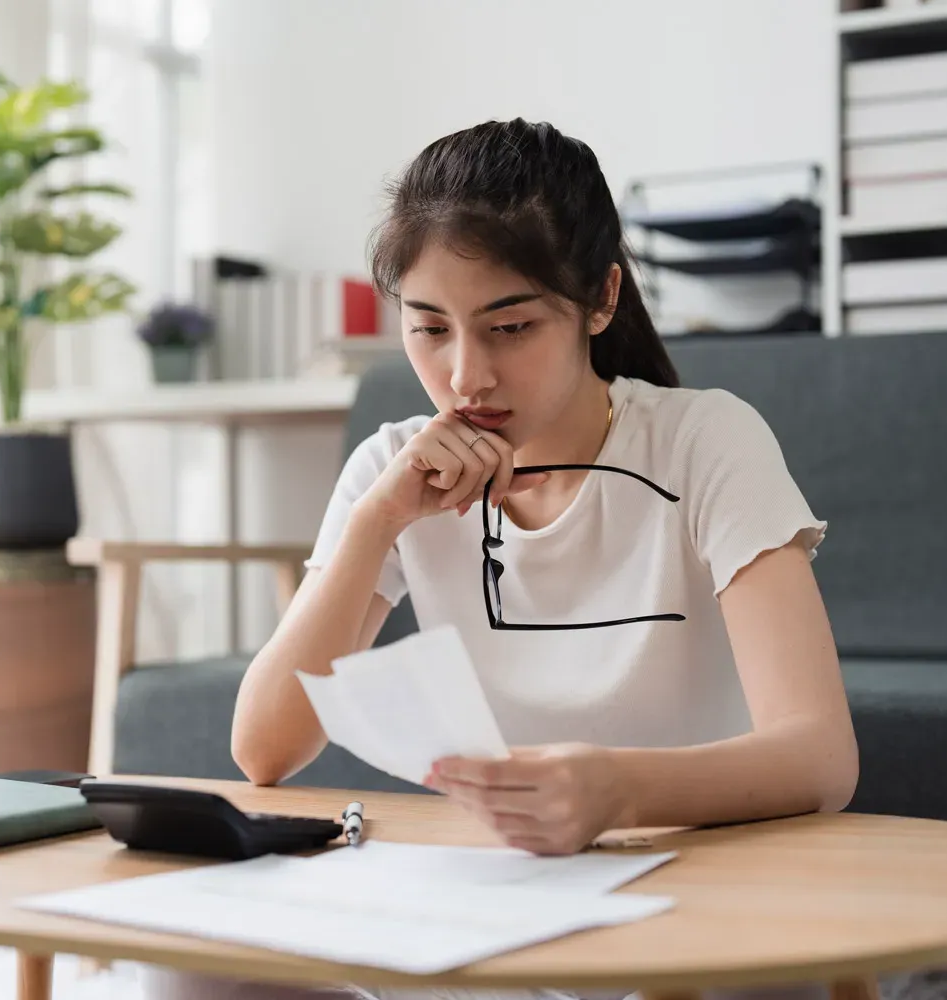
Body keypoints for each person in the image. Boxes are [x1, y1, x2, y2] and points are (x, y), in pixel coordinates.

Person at [140, 119, 858, 1000]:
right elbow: (265, 750)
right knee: (195, 977)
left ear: (600, 300)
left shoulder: (705, 441)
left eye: (509, 326)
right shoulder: (395, 468)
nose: (465, 376)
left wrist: (617, 790)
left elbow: (821, 757)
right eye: (429, 328)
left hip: (691, 891)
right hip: (495, 903)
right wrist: (378, 521)